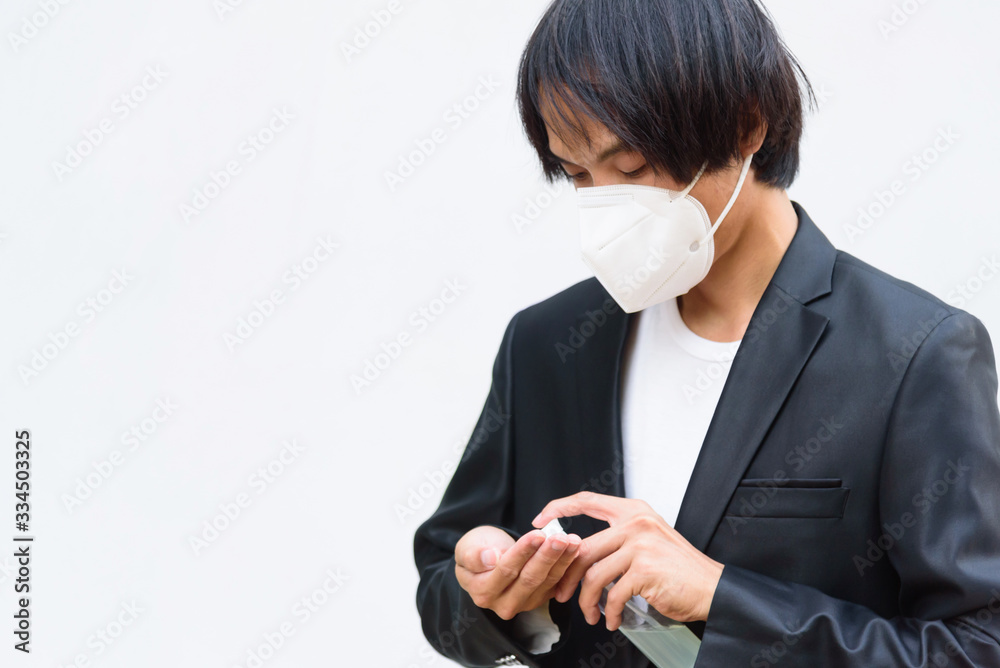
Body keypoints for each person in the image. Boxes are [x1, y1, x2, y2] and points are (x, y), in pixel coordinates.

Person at [413, 1, 1000, 665]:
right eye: (577, 175)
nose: (607, 205)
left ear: (748, 123)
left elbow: (977, 646)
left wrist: (721, 596)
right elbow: (443, 582)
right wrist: (493, 587)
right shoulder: (547, 343)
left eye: (631, 166)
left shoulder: (913, 354)